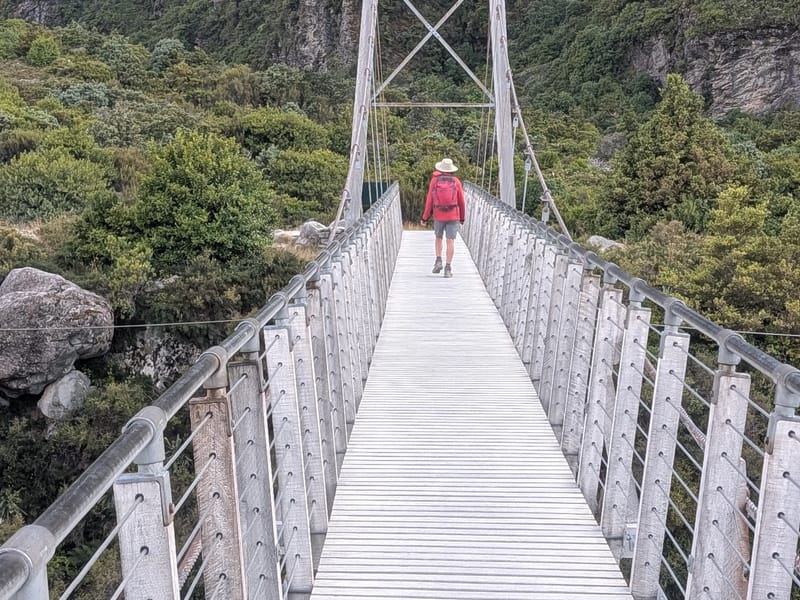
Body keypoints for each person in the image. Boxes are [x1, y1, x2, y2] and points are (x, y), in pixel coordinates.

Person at [420, 157, 465, 278]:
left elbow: (429, 200)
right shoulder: (456, 181)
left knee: (438, 237)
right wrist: (462, 217)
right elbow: (461, 201)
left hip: (439, 214)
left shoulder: (435, 181)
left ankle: (438, 260)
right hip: (453, 215)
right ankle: (448, 268)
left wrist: (425, 218)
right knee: (450, 241)